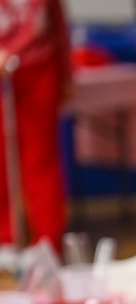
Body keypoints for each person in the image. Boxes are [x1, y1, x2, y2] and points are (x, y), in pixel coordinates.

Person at [0, 0, 71, 250]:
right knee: (2, 164)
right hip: (5, 77)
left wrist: (65, 73)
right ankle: (6, 239)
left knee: (40, 161)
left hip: (38, 70)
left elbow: (57, 25)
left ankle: (48, 241)